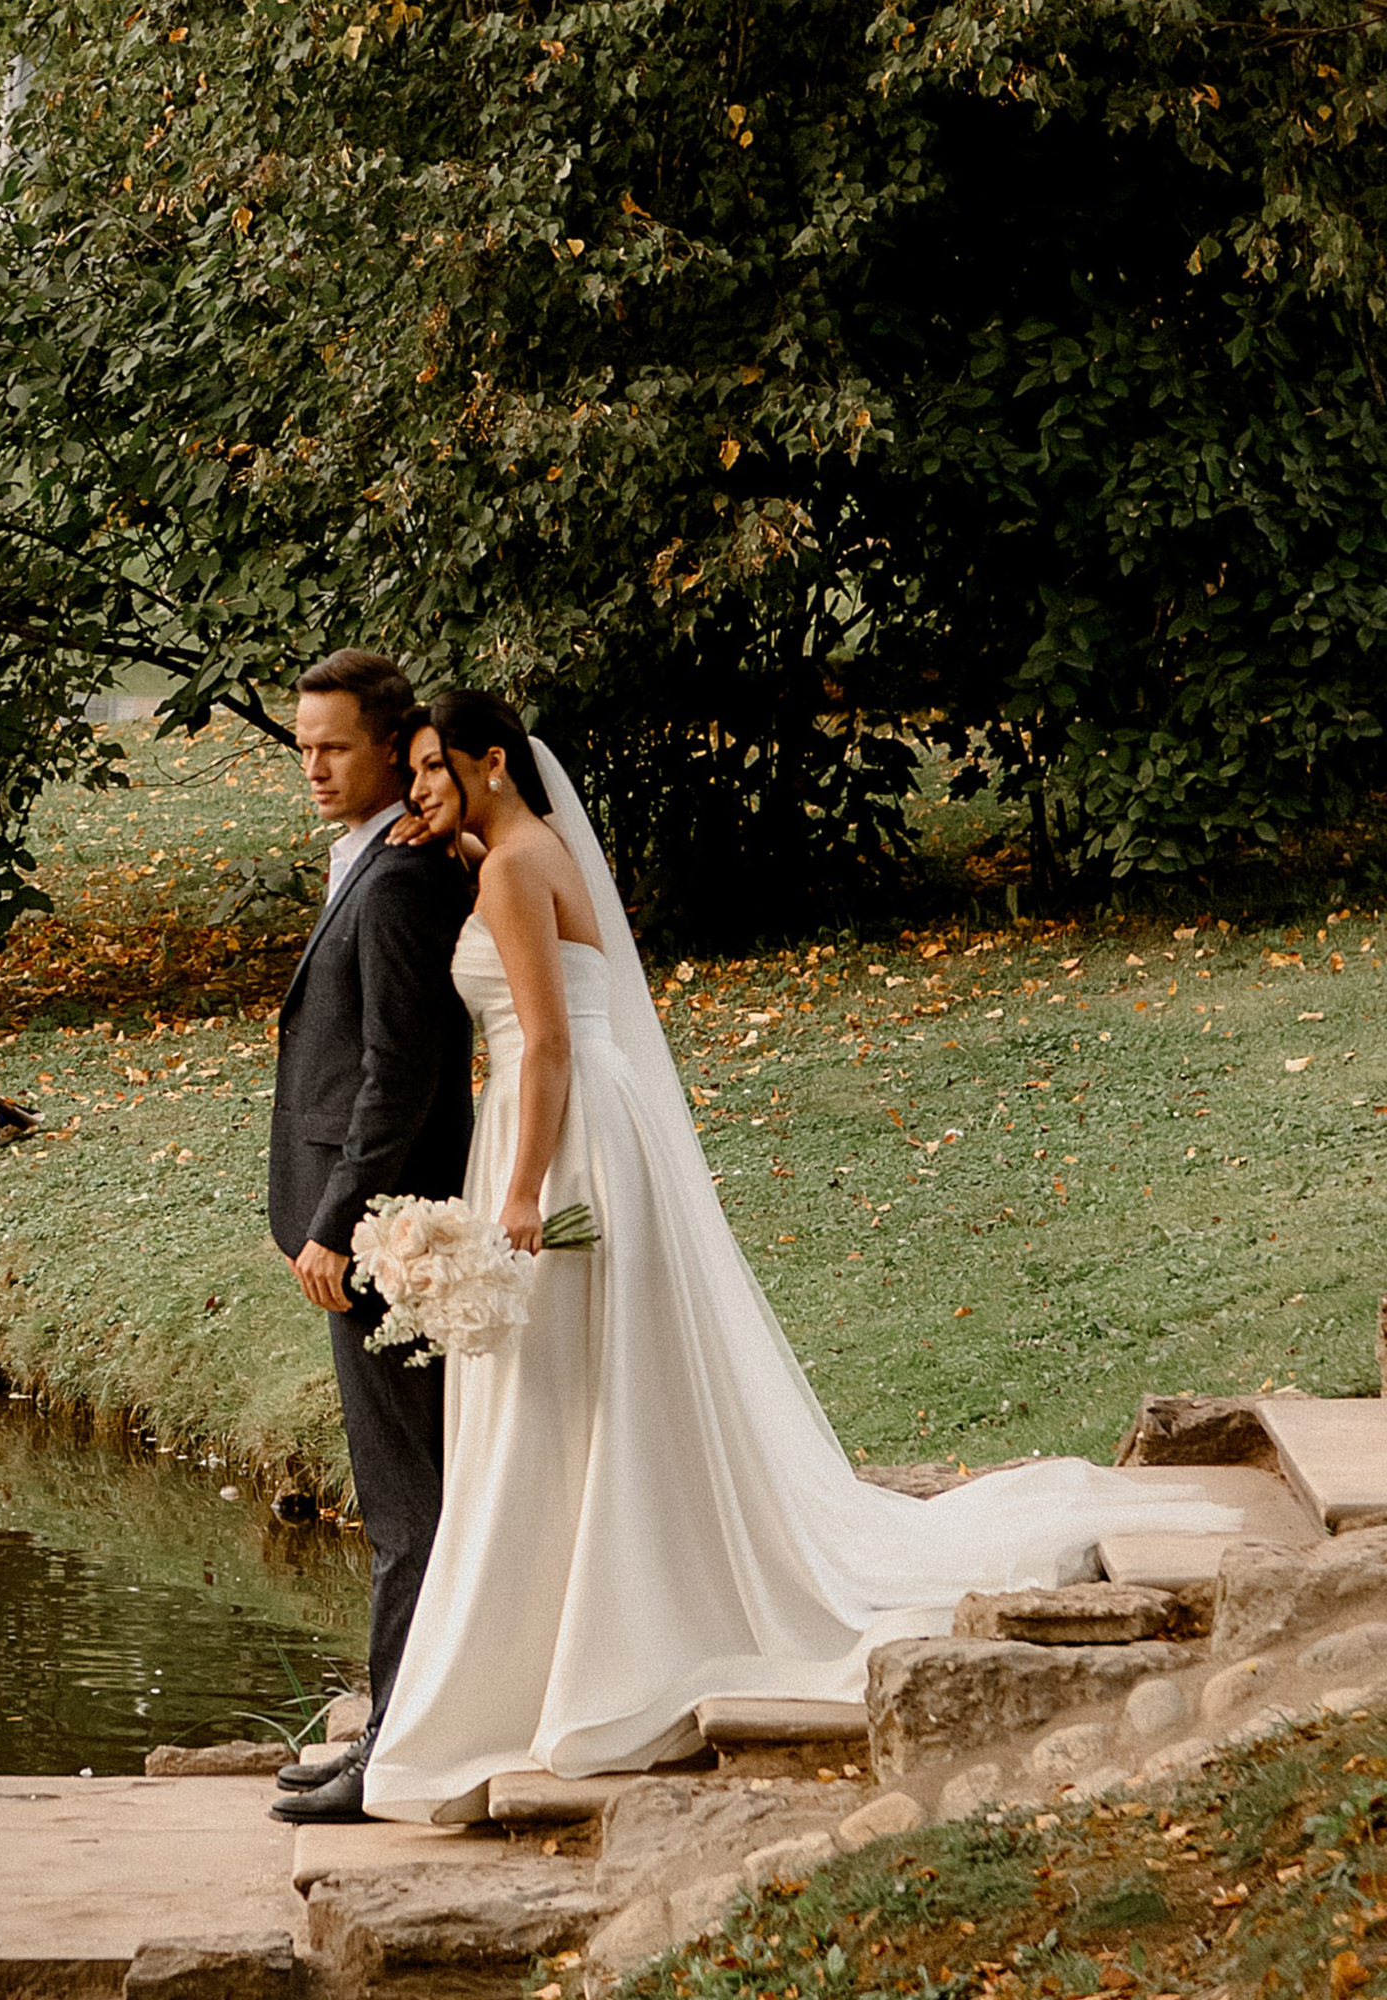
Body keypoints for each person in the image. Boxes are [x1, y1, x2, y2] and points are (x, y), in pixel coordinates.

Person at [360, 690, 1246, 1822]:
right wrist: (458, 830)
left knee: (565, 1383)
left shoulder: (505, 873)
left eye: (435, 769)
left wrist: (522, 1191)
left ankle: (577, 1640)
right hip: (596, 1128)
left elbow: (542, 1045)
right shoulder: (528, 851)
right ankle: (587, 1611)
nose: (419, 788)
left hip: (559, 1138)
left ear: (491, 761)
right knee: (592, 1378)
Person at [264, 648, 476, 1826]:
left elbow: (400, 1077)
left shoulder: (397, 883)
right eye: (302, 744)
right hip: (373, 1220)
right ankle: (399, 1724)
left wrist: (338, 1222)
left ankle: (395, 1751)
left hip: (386, 1231)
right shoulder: (386, 858)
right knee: (411, 1496)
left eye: (334, 745)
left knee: (409, 1507)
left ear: (393, 748)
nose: (313, 765)